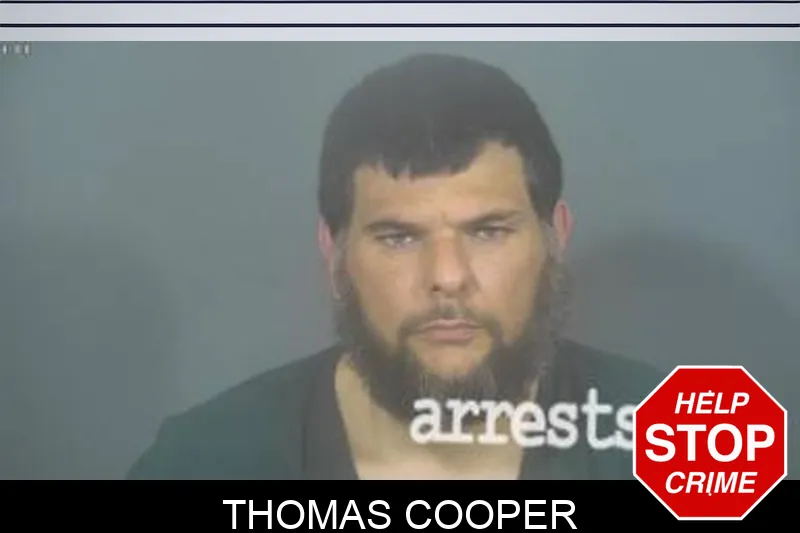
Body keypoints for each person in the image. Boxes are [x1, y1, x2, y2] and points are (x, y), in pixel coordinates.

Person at [127, 53, 665, 481]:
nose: (447, 276)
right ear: (335, 254)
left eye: (488, 231)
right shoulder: (204, 462)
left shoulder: (686, 443)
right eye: (399, 237)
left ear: (556, 237)